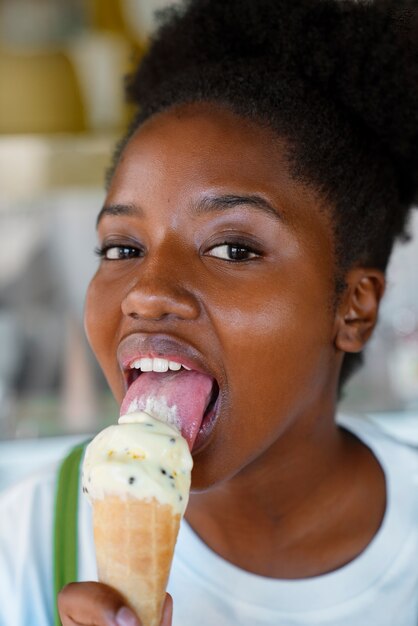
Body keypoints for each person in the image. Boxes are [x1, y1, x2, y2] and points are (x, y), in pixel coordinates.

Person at [2, 0, 418, 624]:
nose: (146, 292)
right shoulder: (30, 541)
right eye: (123, 247)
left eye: (232, 247)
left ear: (353, 308)